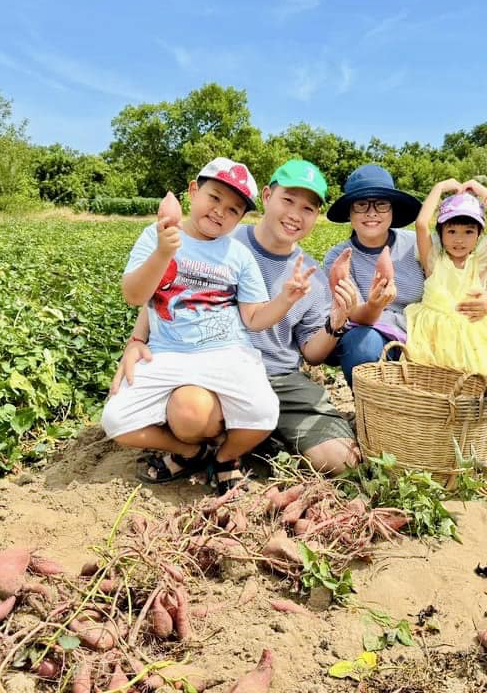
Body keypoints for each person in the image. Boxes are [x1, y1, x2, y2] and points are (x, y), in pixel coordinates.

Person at [108, 159, 362, 481]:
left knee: (343, 462)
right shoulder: (218, 237)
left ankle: (241, 444)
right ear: (268, 197)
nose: (296, 214)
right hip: (200, 367)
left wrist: (337, 320)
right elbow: (161, 295)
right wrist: (137, 340)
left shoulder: (307, 273)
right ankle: (209, 448)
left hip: (274, 376)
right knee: (189, 413)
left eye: (308, 208)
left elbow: (311, 353)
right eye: (288, 200)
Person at [322, 164, 487, 387]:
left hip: (427, 335)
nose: (372, 212)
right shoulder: (339, 257)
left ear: (392, 210)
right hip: (375, 335)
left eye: (381, 204)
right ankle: (377, 413)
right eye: (361, 205)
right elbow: (354, 314)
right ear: (349, 213)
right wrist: (375, 305)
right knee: (361, 344)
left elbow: (457, 275)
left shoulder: (416, 245)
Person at [405, 178, 487, 434]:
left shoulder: (478, 266)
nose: (459, 240)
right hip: (432, 336)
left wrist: (480, 191)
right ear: (441, 233)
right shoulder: (433, 261)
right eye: (452, 231)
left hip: (471, 337)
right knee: (436, 385)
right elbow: (422, 223)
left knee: (474, 384)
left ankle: (472, 432)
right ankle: (436, 432)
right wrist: (439, 188)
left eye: (469, 231)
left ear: (479, 235)